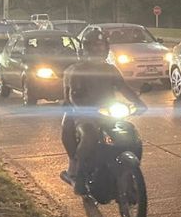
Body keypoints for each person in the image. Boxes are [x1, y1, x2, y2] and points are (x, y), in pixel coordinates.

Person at [61, 28, 147, 195]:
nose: (98, 50)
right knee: (90, 135)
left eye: (101, 46)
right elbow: (74, 96)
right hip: (84, 116)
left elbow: (124, 88)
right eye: (94, 46)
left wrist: (139, 103)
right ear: (85, 48)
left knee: (130, 133)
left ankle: (130, 171)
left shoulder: (110, 69)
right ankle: (79, 176)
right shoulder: (76, 71)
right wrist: (86, 109)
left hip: (107, 113)